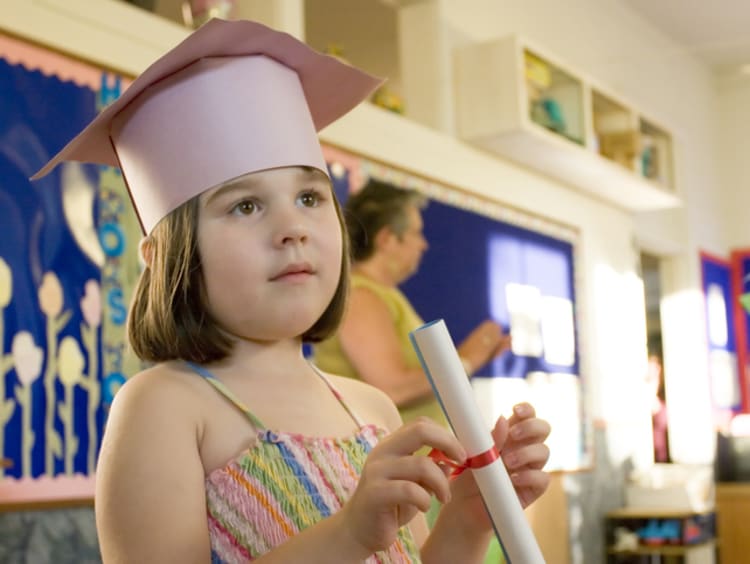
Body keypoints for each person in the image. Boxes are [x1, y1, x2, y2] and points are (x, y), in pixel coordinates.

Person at [33, 18, 551, 563]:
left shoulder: (369, 408)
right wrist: (349, 534)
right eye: (245, 206)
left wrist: (470, 518)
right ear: (165, 259)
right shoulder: (164, 407)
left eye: (309, 197)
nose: (294, 228)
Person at [314, 178, 512, 426]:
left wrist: (470, 359)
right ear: (387, 238)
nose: (423, 244)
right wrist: (466, 359)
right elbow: (391, 389)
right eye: (416, 233)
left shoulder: (382, 294)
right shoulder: (361, 295)